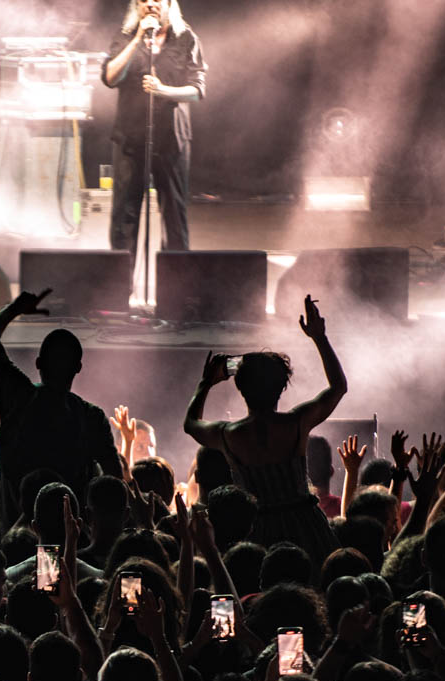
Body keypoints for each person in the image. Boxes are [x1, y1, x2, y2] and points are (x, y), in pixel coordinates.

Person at [184, 297, 346, 559]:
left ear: (241, 388)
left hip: (256, 531)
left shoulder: (229, 435)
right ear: (281, 387)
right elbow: (338, 387)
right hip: (306, 527)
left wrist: (206, 383)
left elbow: (190, 424)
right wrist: (319, 338)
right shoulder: (296, 423)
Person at [0, 291, 123, 531]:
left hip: (12, 538)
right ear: (78, 368)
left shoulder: (18, 397)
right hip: (70, 544)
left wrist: (15, 309)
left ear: (38, 363)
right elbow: (115, 482)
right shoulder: (91, 418)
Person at [102, 0, 206, 256]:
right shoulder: (125, 36)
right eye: (142, 0)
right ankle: (117, 289)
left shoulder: (186, 39)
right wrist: (138, 38)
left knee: (174, 216)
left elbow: (197, 90)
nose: (150, 4)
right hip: (130, 138)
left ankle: (176, 290)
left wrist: (164, 91)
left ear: (169, 4)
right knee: (124, 217)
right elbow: (109, 77)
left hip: (172, 140)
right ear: (135, 7)